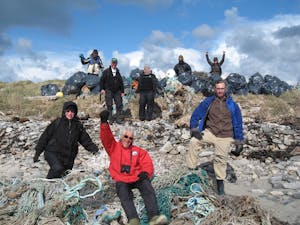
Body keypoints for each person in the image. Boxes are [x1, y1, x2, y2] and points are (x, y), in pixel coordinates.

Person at [99, 110, 168, 225]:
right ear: (121, 137)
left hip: (136, 177)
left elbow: (147, 162)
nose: (128, 140)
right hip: (121, 179)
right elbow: (106, 138)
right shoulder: (113, 147)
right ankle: (133, 220)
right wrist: (104, 123)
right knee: (123, 194)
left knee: (147, 187)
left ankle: (154, 218)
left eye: (131, 138)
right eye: (126, 136)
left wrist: (146, 173)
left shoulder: (137, 151)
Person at [186, 79, 243, 195]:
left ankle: (220, 186)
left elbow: (238, 123)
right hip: (210, 132)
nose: (220, 91)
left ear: (225, 89)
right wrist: (194, 128)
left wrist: (239, 141)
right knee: (194, 142)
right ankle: (190, 171)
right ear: (214, 89)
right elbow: (196, 114)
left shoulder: (233, 105)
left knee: (220, 159)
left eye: (222, 88)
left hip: (225, 135)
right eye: (218, 88)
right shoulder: (208, 102)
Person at [33, 101, 99, 179]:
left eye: (72, 111)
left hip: (69, 157)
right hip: (53, 153)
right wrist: (37, 153)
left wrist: (95, 151)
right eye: (68, 111)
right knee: (57, 168)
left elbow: (86, 141)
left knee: (64, 176)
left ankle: (58, 189)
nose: (70, 114)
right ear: (64, 111)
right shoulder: (57, 123)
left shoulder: (78, 126)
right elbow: (45, 137)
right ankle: (47, 184)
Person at [100, 58, 124, 124]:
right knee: (109, 105)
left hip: (117, 91)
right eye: (113, 63)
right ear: (111, 63)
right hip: (108, 90)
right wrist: (102, 89)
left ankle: (118, 119)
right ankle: (110, 119)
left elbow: (121, 82)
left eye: (115, 63)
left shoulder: (118, 72)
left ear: (116, 63)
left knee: (119, 104)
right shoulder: (106, 71)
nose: (114, 64)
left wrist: (122, 92)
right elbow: (101, 81)